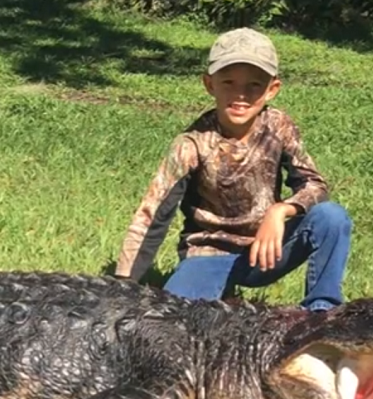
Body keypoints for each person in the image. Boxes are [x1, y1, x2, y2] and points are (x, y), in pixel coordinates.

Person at [113, 27, 353, 312]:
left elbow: (315, 185)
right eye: (228, 82)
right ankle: (212, 290)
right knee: (174, 321)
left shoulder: (279, 127)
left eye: (254, 85)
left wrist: (281, 211)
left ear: (272, 89)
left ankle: (322, 313)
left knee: (331, 217)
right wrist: (122, 287)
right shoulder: (191, 145)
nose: (240, 95)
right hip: (207, 254)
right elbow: (152, 217)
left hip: (266, 250)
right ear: (209, 84)